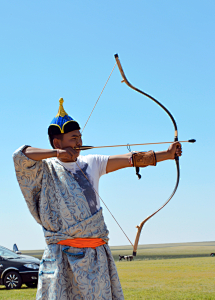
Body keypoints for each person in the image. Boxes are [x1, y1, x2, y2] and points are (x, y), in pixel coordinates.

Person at [13, 98, 182, 300]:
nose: (79, 142)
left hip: (96, 257)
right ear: (58, 142)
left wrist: (168, 154)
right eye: (73, 138)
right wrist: (57, 154)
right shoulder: (45, 169)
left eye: (80, 137)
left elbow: (131, 159)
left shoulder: (91, 162)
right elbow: (21, 155)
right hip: (62, 258)